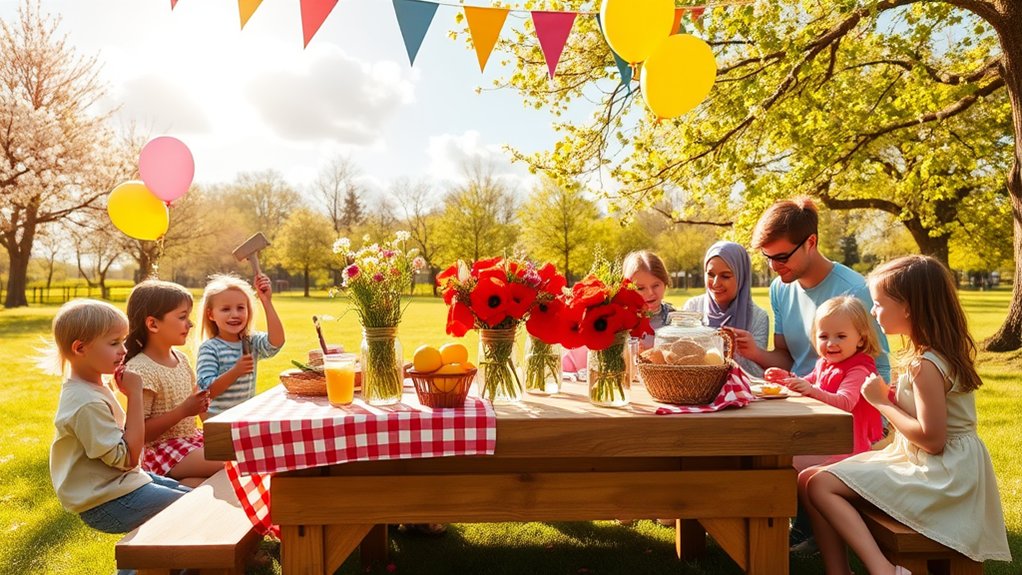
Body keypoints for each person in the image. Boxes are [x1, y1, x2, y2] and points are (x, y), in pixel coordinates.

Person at [804, 255, 1011, 574]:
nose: (873, 312)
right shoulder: (930, 355)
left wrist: (880, 402)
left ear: (908, 307)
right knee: (809, 478)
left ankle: (883, 570)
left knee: (820, 484)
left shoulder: (926, 365)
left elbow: (933, 440)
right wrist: (891, 397)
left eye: (878, 304)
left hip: (943, 477)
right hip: (934, 466)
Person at [48, 299, 190, 541]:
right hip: (105, 502)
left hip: (121, 484)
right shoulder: (86, 402)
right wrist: (135, 395)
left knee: (195, 497)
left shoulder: (92, 387)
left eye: (123, 341)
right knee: (192, 509)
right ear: (80, 349)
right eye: (114, 343)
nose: (123, 350)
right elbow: (127, 458)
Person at [733, 197, 891, 384]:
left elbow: (880, 368)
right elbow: (788, 359)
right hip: (799, 397)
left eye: (782, 257)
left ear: (811, 242)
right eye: (768, 257)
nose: (774, 267)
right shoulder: (779, 288)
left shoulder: (856, 290)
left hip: (842, 406)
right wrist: (755, 352)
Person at [124, 279, 221, 487]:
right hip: (161, 449)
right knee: (232, 463)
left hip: (190, 441)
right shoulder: (140, 370)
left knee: (234, 460)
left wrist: (219, 429)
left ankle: (184, 486)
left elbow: (200, 406)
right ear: (153, 324)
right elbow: (138, 433)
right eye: (182, 317)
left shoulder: (182, 359)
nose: (191, 323)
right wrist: (183, 411)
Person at [562, 250, 675, 374]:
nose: (650, 293)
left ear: (665, 283)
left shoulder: (675, 321)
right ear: (627, 288)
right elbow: (580, 363)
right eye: (640, 288)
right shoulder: (610, 317)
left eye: (656, 285)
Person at [196, 273, 284, 420]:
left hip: (245, 418)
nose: (235, 314)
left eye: (240, 308)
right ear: (211, 315)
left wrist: (266, 301)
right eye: (225, 309)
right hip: (219, 423)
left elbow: (276, 343)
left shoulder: (250, 341)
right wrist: (236, 371)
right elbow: (206, 391)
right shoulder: (210, 349)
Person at [682, 241, 769, 376]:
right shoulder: (692, 308)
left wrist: (751, 353)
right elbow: (681, 360)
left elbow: (756, 375)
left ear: (741, 276)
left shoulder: (758, 317)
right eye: (711, 274)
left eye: (725, 276)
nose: (716, 283)